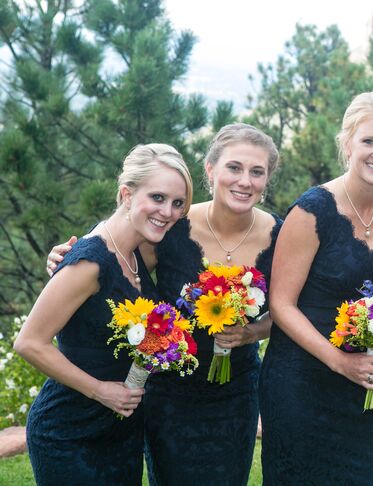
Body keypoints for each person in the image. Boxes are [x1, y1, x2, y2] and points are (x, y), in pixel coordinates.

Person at [45, 124, 282, 485]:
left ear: (267, 180)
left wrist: (253, 332)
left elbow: (292, 308)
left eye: (257, 172)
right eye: (234, 167)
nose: (244, 180)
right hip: (171, 394)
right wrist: (67, 255)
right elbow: (112, 256)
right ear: (211, 170)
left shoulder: (280, 236)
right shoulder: (172, 227)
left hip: (236, 393)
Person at [15, 144, 193, 485]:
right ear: (127, 193)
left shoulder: (139, 249)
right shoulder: (88, 261)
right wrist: (100, 390)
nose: (168, 211)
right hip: (69, 432)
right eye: (157, 197)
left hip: (121, 429)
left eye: (177, 203)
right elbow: (29, 343)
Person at [259, 91, 373, 485]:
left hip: (363, 381)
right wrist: (339, 361)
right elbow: (281, 304)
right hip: (301, 380)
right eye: (369, 141)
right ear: (347, 143)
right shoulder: (312, 211)